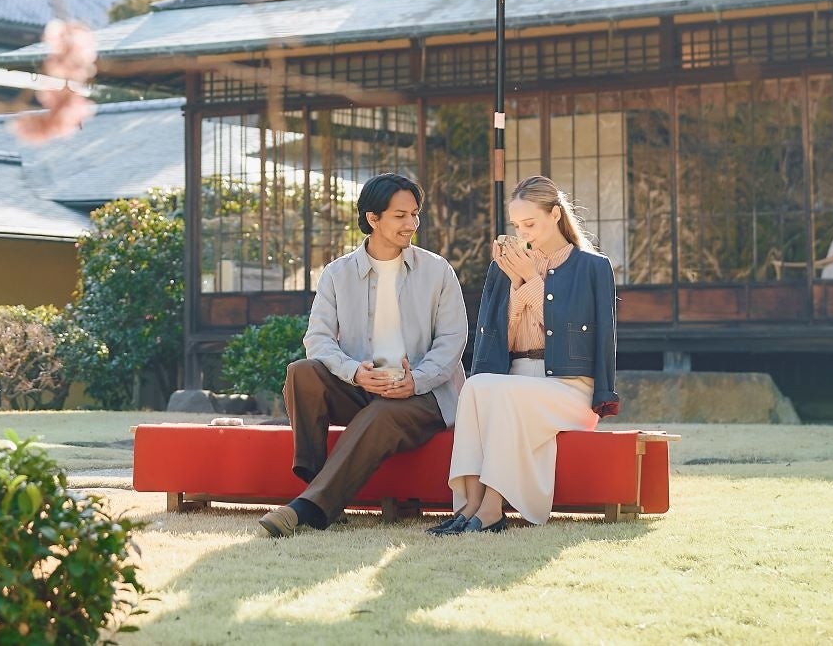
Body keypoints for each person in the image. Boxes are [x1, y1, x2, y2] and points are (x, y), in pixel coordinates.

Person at [259, 173, 467, 538]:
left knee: (385, 411)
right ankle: (316, 482)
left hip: (425, 396)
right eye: (401, 216)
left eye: (415, 214)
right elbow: (318, 339)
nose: (412, 224)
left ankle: (309, 507)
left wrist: (415, 380)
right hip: (362, 387)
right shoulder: (337, 274)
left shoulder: (437, 271)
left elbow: (452, 340)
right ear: (373, 218)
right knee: (302, 372)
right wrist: (354, 373)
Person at [433, 175, 619, 535]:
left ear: (554, 214)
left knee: (503, 394)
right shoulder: (506, 266)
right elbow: (502, 336)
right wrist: (515, 281)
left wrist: (533, 280)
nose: (524, 232)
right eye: (518, 225)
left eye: (530, 223)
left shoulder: (592, 267)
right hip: (516, 379)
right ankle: (470, 503)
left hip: (569, 388)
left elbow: (582, 334)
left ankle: (491, 509)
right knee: (476, 387)